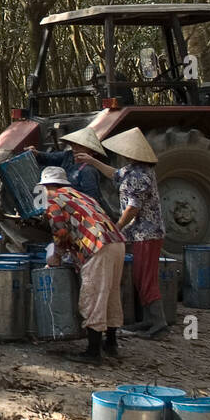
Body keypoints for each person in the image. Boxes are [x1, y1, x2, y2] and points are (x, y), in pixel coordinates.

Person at [77, 127, 166, 338]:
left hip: (147, 234)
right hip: (141, 233)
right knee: (140, 276)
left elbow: (132, 208)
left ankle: (158, 322)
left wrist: (117, 227)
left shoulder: (140, 175)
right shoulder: (131, 170)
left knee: (145, 278)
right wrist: (93, 162)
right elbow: (114, 174)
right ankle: (148, 320)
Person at [38, 166, 126, 364]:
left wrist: (56, 256)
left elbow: (60, 232)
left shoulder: (54, 200)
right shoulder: (83, 196)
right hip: (116, 242)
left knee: (92, 295)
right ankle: (111, 344)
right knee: (111, 294)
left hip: (96, 246)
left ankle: (93, 352)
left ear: (48, 186)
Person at [30, 125, 109, 210]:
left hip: (78, 208)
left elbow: (91, 199)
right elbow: (49, 158)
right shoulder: (68, 155)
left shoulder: (88, 171)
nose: (75, 148)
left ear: (90, 150)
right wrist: (36, 153)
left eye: (80, 146)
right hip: (63, 202)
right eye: (73, 145)